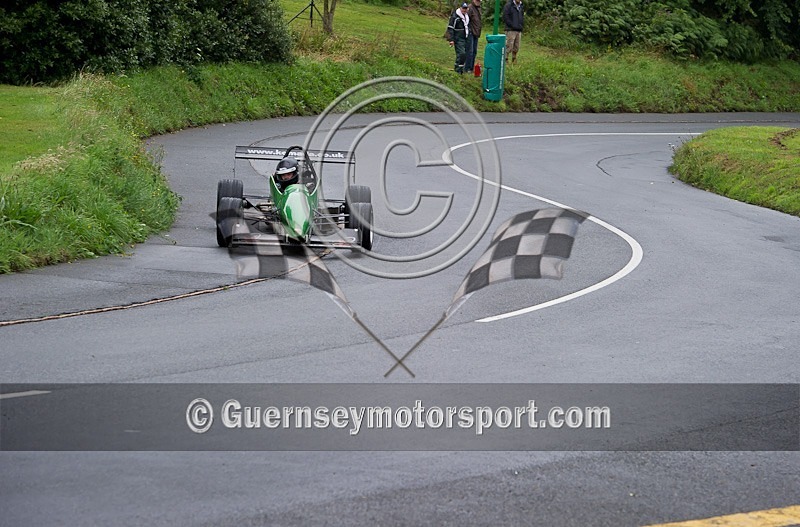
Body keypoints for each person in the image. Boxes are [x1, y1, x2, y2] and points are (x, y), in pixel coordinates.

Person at [446, 2, 470, 74]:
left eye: (466, 8)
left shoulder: (466, 17)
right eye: (463, 8)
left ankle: (460, 69)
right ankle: (457, 69)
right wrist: (451, 39)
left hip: (465, 38)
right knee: (461, 53)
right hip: (458, 38)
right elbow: (450, 28)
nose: (464, 10)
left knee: (464, 54)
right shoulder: (455, 17)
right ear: (460, 8)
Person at [502, 0, 523, 64]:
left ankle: (514, 59)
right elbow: (505, 17)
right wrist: (512, 25)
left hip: (518, 29)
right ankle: (505, 59)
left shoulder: (521, 6)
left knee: (517, 46)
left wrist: (521, 25)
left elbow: (522, 16)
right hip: (510, 29)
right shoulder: (508, 5)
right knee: (509, 45)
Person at [465, 0, 482, 74]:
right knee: (470, 51)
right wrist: (468, 31)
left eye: (479, 1)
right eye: (477, 0)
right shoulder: (470, 8)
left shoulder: (478, 8)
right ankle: (467, 68)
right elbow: (466, 20)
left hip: (476, 33)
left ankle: (471, 68)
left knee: (474, 51)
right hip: (470, 32)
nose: (478, 2)